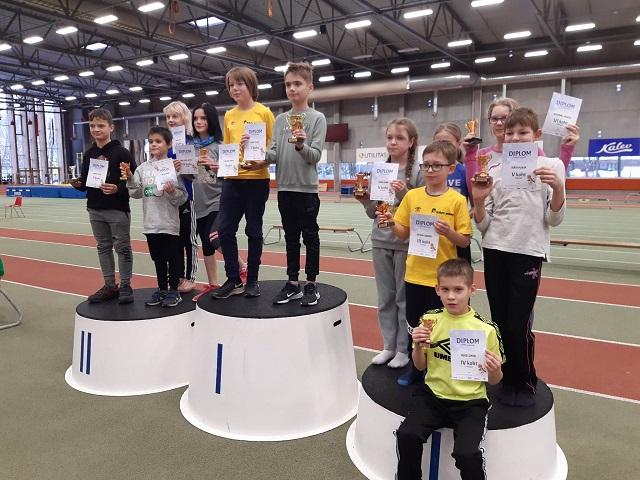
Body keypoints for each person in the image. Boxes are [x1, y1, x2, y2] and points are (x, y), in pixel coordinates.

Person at [472, 107, 566, 407]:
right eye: (510, 132)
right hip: (495, 250)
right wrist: (478, 202)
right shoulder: (495, 170)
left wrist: (558, 188)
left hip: (527, 252)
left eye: (522, 132)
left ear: (536, 135)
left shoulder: (551, 165)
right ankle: (504, 377)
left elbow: (554, 220)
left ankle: (524, 381)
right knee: (499, 322)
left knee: (519, 324)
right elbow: (484, 225)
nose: (514, 137)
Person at [395, 258, 504, 480]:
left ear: (472, 290)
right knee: (407, 435)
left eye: (458, 289)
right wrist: (418, 346)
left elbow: (495, 381)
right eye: (445, 289)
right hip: (433, 396)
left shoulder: (487, 329)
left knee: (466, 454)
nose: (451, 296)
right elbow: (420, 365)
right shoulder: (429, 320)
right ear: (437, 289)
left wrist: (494, 369)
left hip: (470, 402)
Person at [378, 140, 472, 386]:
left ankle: (444, 372)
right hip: (415, 275)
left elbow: (464, 240)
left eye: (436, 165)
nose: (430, 170)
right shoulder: (412, 196)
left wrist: (448, 232)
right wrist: (391, 222)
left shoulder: (457, 200)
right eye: (426, 165)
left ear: (451, 168)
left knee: (444, 328)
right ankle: (416, 370)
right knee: (416, 328)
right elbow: (403, 233)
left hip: (443, 280)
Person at [357, 118, 424, 368]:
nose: (393, 142)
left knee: (403, 299)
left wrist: (404, 194)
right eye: (389, 137)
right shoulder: (380, 171)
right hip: (380, 240)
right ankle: (388, 346)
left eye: (399, 138)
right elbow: (372, 212)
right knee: (385, 298)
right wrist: (365, 200)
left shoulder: (418, 172)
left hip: (405, 243)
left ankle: (404, 350)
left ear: (411, 142)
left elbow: (422, 209)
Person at [265, 62, 327, 306]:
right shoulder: (280, 120)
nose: (292, 88)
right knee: (291, 237)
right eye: (288, 84)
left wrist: (301, 145)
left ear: (310, 87)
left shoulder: (317, 119)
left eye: (297, 84)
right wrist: (255, 151)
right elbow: (273, 154)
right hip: (284, 189)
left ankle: (311, 283)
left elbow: (315, 156)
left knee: (310, 237)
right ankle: (292, 283)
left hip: (306, 190)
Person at [211, 66, 275, 299]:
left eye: (239, 84)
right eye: (230, 85)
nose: (234, 88)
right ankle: (233, 278)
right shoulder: (229, 115)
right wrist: (225, 164)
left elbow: (273, 148)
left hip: (256, 180)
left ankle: (253, 280)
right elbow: (228, 148)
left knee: (254, 231)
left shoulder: (264, 113)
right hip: (232, 180)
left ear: (250, 85)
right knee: (225, 229)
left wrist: (261, 160)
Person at [71, 108, 136, 304]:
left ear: (111, 128)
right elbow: (86, 183)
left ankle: (125, 285)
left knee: (122, 248)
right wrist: (78, 184)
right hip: (95, 209)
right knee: (103, 248)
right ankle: (109, 285)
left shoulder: (122, 153)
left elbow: (133, 182)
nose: (96, 129)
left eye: (101, 125)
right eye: (92, 126)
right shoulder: (89, 154)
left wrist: (117, 188)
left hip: (117, 209)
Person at [463, 97, 579, 196]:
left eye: (504, 118)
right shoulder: (482, 155)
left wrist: (566, 150)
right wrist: (470, 154)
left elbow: (552, 182)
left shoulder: (534, 152)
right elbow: (474, 193)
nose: (498, 123)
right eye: (494, 119)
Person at [124, 126, 187, 307]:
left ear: (169, 144)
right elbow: (135, 193)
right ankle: (162, 289)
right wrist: (130, 177)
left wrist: (172, 191)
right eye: (151, 141)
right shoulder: (143, 168)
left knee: (172, 258)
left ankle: (174, 290)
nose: (153, 144)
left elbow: (182, 197)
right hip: (151, 223)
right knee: (158, 259)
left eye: (158, 141)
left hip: (169, 223)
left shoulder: (174, 167)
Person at [189, 103, 224, 302]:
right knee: (206, 244)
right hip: (199, 202)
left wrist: (216, 166)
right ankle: (213, 283)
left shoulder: (219, 146)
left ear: (211, 120)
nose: (199, 122)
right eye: (196, 118)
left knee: (214, 237)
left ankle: (241, 267)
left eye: (203, 118)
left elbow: (230, 174)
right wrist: (181, 166)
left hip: (218, 199)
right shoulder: (190, 148)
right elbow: (189, 177)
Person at [164, 101, 199, 294]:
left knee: (189, 240)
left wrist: (183, 166)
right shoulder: (166, 143)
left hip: (188, 197)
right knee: (174, 240)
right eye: (168, 117)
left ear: (184, 118)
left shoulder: (191, 142)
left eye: (175, 116)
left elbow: (193, 175)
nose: (171, 120)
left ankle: (191, 277)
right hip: (169, 199)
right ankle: (177, 275)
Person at [433, 122, 472, 264]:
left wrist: (461, 217)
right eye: (438, 142)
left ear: (458, 143)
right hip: (433, 235)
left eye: (447, 142)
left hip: (457, 236)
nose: (442, 146)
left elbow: (475, 206)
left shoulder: (465, 171)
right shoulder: (429, 171)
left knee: (459, 275)